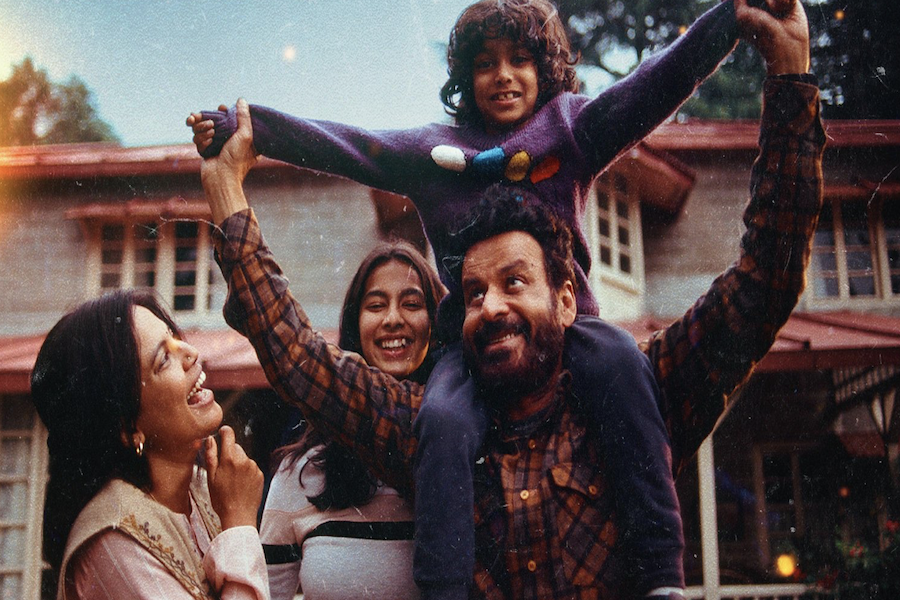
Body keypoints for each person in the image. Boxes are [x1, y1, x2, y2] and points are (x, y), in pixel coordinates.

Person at [201, 0, 823, 595]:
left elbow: (761, 277)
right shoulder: (427, 431)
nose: (492, 306)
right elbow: (300, 357)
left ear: (566, 295)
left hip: (605, 368)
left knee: (620, 359)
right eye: (473, 292)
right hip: (450, 427)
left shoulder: (636, 392)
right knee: (444, 416)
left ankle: (665, 577)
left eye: (516, 282)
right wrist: (247, 144)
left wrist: (757, 40)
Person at [30, 290, 268, 600]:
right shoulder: (113, 542)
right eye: (163, 359)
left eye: (174, 337)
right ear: (129, 428)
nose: (191, 353)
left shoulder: (205, 489)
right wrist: (239, 525)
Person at [260, 240, 444, 600]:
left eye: (412, 304)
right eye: (376, 305)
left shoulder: (464, 456)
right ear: (354, 325)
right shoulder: (301, 473)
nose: (393, 319)